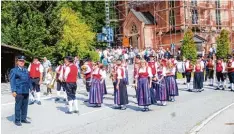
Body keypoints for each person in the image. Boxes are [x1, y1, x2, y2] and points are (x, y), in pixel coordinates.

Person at [10, 56, 32, 126]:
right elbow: (12, 81)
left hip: (26, 90)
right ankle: (17, 120)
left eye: (23, 61)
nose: (21, 62)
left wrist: (31, 88)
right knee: (18, 106)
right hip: (19, 91)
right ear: (17, 62)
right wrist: (13, 91)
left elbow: (29, 80)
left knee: (25, 106)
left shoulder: (26, 70)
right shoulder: (14, 70)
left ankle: (23, 118)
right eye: (20, 61)